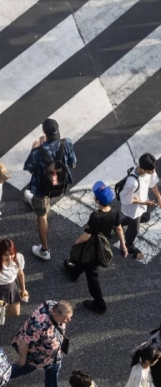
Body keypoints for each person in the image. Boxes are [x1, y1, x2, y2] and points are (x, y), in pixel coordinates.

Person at [64, 182, 128, 313]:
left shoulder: (95, 216)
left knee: (92, 276)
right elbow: (118, 228)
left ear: (97, 200)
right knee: (83, 262)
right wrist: (123, 244)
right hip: (104, 245)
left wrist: (75, 242)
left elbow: (86, 236)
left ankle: (100, 304)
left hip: (93, 248)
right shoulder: (115, 211)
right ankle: (74, 273)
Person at [23, 118, 77, 261]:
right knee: (44, 201)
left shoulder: (37, 152)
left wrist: (36, 148)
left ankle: (45, 250)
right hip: (60, 184)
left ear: (44, 132)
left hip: (41, 189)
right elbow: (73, 165)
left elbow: (31, 171)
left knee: (42, 216)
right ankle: (35, 203)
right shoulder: (67, 143)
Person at [8, 300, 73, 387]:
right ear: (55, 315)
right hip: (37, 355)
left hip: (52, 355)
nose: (69, 320)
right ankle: (2, 376)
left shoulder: (53, 305)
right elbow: (24, 342)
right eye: (66, 318)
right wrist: (22, 359)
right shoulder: (38, 325)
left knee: (54, 367)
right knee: (22, 368)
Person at [116, 152, 161, 261]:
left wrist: (159, 197)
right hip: (134, 210)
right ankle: (128, 246)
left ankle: (119, 223)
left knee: (146, 218)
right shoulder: (132, 183)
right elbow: (127, 200)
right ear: (142, 168)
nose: (153, 172)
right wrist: (145, 203)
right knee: (134, 230)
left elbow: (152, 183)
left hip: (144, 202)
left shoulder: (149, 171)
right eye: (151, 171)